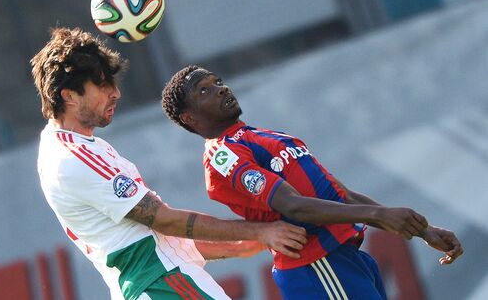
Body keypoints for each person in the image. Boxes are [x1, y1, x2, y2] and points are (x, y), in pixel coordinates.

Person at [30, 28, 307, 300]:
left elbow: (148, 238)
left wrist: (241, 243)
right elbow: (162, 220)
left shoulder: (74, 148)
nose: (115, 93)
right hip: (161, 285)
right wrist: (261, 231)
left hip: (162, 281)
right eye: (102, 84)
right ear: (69, 95)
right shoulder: (73, 157)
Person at [161, 65, 464, 300]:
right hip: (316, 265)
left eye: (217, 81)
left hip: (344, 258)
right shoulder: (223, 156)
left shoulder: (263, 137)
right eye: (204, 90)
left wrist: (423, 230)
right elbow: (293, 207)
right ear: (189, 118)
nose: (220, 89)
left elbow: (340, 193)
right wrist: (380, 215)